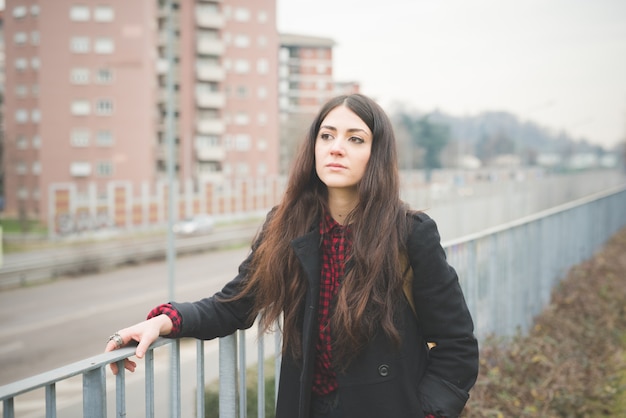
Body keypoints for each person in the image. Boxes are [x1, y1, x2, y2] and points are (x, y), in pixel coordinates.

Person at [105, 93, 479, 418]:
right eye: (327, 136)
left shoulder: (409, 232)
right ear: (313, 147)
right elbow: (234, 304)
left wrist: (428, 411)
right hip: (309, 407)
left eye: (355, 138)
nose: (336, 147)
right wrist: (163, 321)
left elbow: (457, 344)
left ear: (376, 154)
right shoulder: (287, 225)